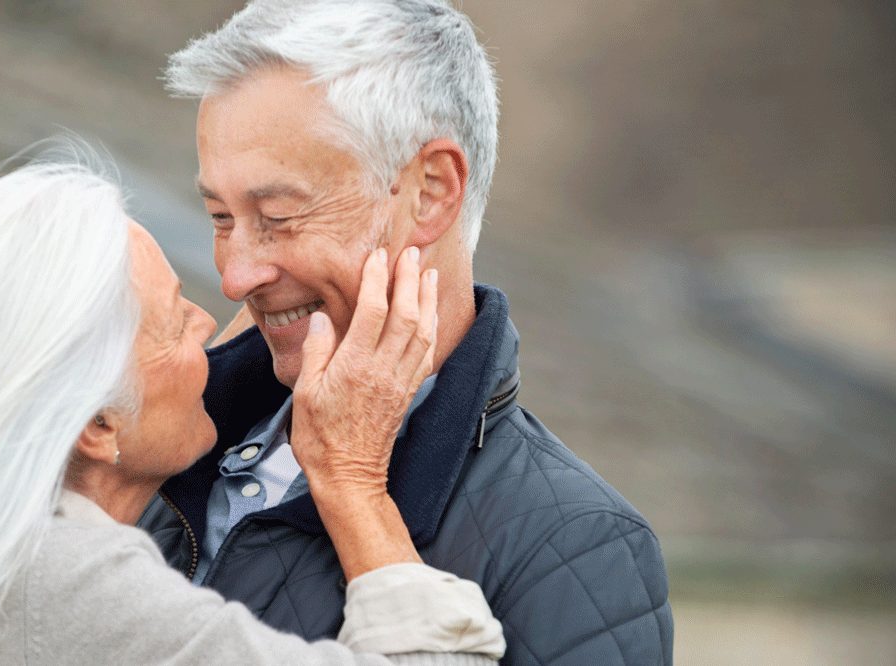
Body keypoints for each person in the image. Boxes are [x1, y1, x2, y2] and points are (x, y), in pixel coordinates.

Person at [0, 158, 507, 665]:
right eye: (175, 321)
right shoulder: (57, 584)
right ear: (96, 425)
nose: (216, 317)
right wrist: (352, 477)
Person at [138, 1, 675, 663]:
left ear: (430, 192)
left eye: (276, 216)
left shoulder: (578, 546)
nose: (236, 275)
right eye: (221, 217)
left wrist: (352, 487)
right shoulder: (146, 451)